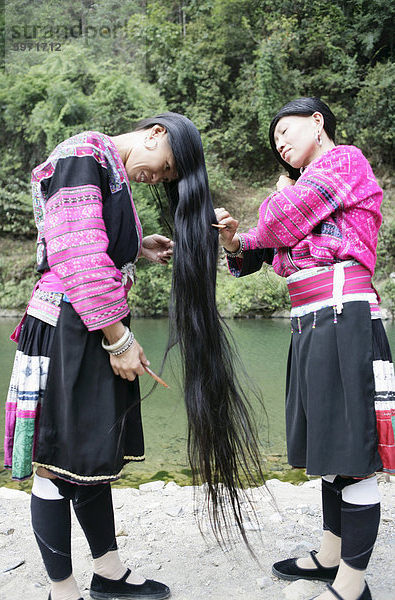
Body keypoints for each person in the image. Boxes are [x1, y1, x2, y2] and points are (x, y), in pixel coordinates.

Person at [5, 112, 266, 600]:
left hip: (84, 322)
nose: (160, 178)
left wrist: (136, 246)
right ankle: (62, 590)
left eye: (168, 178)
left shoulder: (106, 166)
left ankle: (108, 574)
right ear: (156, 134)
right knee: (56, 461)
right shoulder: (83, 153)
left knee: (88, 458)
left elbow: (89, 239)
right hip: (71, 324)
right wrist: (119, 339)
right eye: (168, 168)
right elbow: (77, 254)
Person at [215, 97, 395, 600]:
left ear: (318, 121)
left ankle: (352, 585)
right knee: (329, 448)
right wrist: (233, 241)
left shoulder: (344, 161)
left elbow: (278, 224)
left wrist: (277, 200)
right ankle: (330, 555)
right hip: (312, 322)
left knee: (352, 450)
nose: (281, 143)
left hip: (343, 317)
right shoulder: (308, 190)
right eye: (275, 141)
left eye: (286, 131)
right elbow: (259, 245)